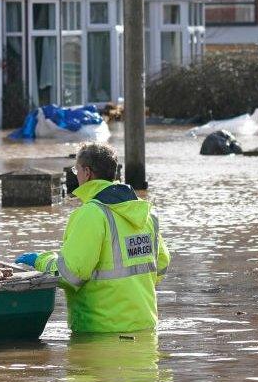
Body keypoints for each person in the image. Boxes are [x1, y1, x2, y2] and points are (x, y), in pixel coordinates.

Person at [15, 142, 170, 333]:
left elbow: (71, 274)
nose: (75, 174)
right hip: (145, 327)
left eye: (76, 169)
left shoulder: (92, 214)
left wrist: (41, 261)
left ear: (87, 173)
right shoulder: (146, 214)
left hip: (100, 331)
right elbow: (161, 265)